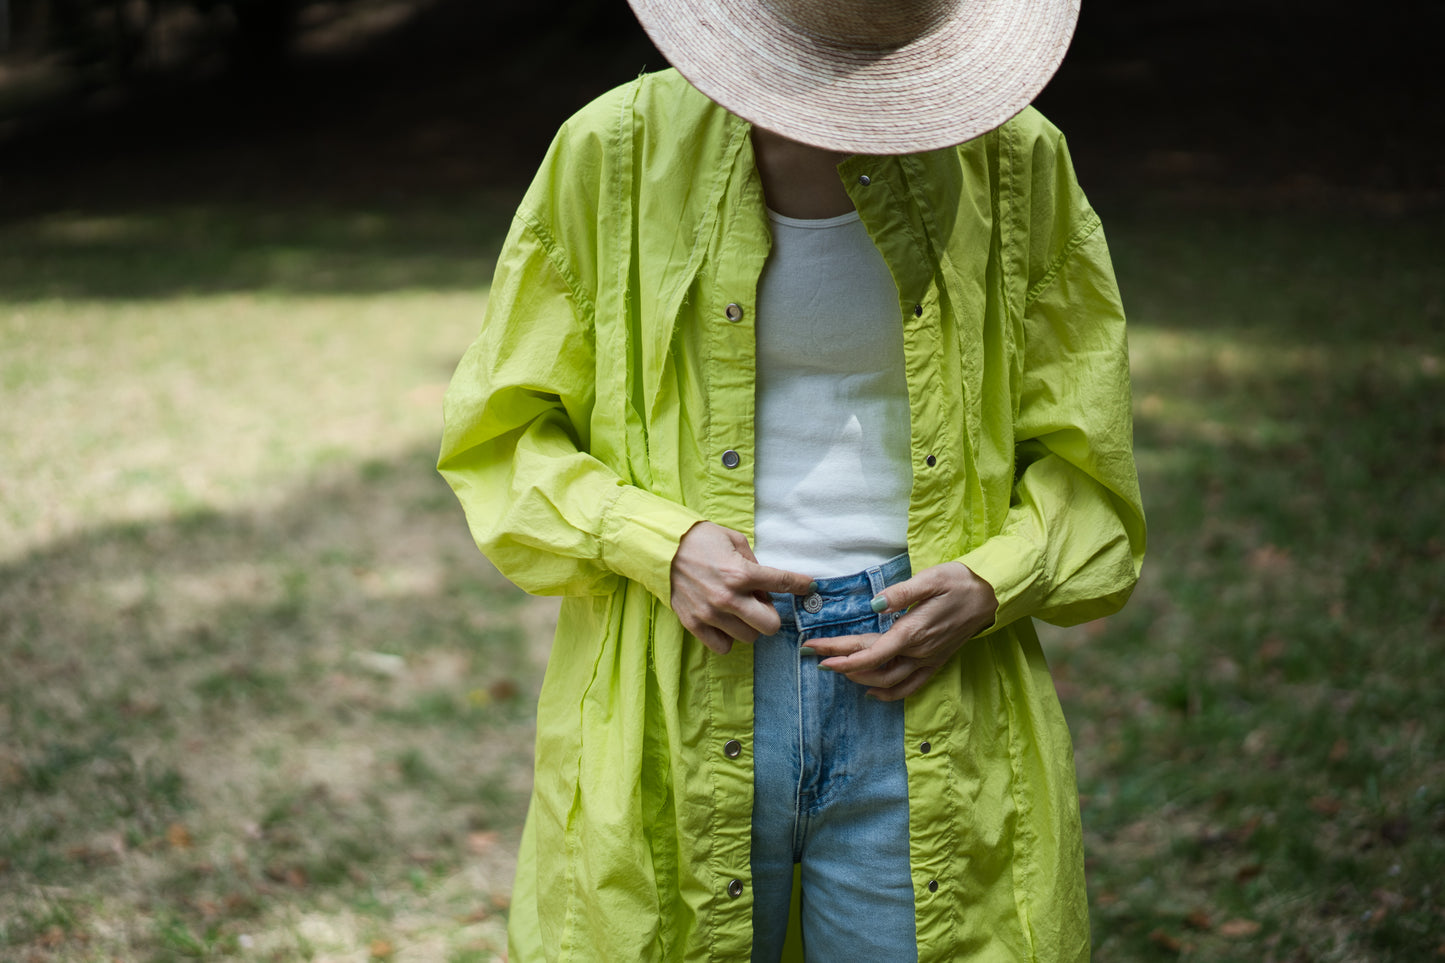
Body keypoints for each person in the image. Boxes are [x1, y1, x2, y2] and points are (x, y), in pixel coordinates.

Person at [438, 0, 1146, 959]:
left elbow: (1085, 462)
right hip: (681, 678)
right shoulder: (612, 151)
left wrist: (989, 583)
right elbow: (502, 435)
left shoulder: (1016, 162)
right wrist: (662, 542)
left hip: (930, 681)